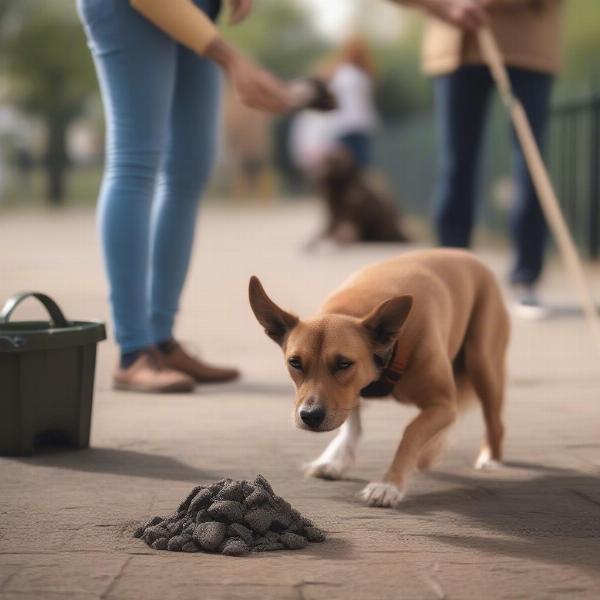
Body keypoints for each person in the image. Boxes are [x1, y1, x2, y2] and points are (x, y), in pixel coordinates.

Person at [77, 0, 294, 393]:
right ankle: (133, 352)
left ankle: (161, 340)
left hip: (195, 11)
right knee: (135, 162)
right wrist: (233, 61)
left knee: (190, 168)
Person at [391, 0, 562, 316]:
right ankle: (449, 282)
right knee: (456, 167)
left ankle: (526, 280)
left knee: (530, 163)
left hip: (527, 46)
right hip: (453, 50)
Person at [327, 37, 379, 168]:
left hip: (343, 127)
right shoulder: (362, 76)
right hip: (358, 126)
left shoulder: (340, 74)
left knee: (347, 169)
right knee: (361, 167)